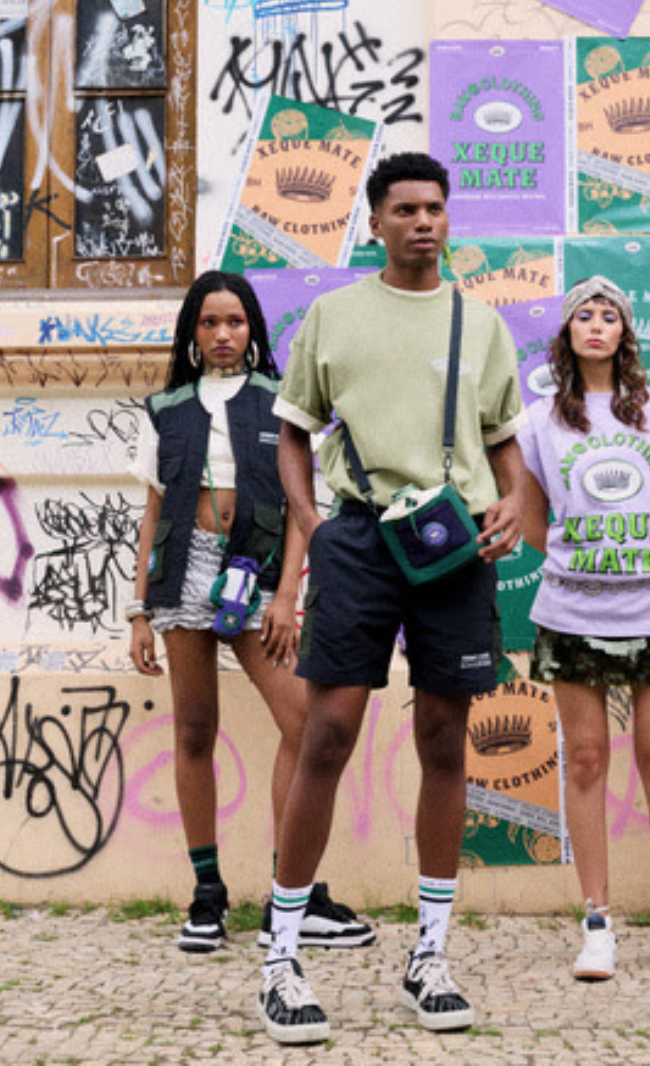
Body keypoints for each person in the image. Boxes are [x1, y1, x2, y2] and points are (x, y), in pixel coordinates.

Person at [258, 151, 526, 1044]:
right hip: (363, 539)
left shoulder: (479, 323)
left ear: (450, 220)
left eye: (436, 208)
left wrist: (517, 501)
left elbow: (502, 447)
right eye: (406, 209)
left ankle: (431, 957)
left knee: (446, 738)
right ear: (374, 223)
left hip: (454, 545)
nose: (424, 222)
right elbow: (293, 435)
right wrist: (310, 521)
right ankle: (282, 959)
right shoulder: (332, 317)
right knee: (327, 731)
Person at [129, 270, 374, 956]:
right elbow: (150, 514)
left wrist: (290, 596)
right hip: (184, 571)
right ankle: (207, 895)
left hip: (259, 574)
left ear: (254, 329)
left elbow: (306, 509)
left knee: (304, 721)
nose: (222, 335)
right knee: (195, 729)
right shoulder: (165, 408)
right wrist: (138, 612)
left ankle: (287, 892)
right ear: (192, 333)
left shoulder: (282, 401)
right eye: (208, 323)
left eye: (234, 322)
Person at [519, 275, 650, 983]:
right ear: (567, 333)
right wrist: (580, 561)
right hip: (573, 613)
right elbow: (530, 514)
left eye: (609, 316)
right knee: (589, 759)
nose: (596, 325)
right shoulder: (540, 420)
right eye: (583, 316)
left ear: (625, 334)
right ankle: (596, 920)